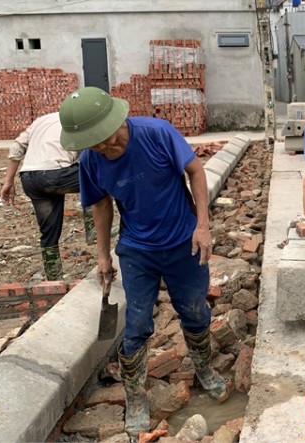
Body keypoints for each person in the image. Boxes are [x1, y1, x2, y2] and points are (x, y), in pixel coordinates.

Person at [57, 86, 228, 440]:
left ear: (118, 119)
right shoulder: (91, 161)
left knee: (194, 311)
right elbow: (101, 205)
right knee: (135, 324)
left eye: (105, 139)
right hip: (137, 250)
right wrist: (103, 255)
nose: (103, 148)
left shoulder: (157, 133)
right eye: (93, 144)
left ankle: (204, 369)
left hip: (184, 242)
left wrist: (202, 226)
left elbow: (196, 172)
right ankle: (136, 397)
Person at [0, 112, 95, 281]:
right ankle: (93, 229)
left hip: (30, 180)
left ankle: (54, 276)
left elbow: (16, 147)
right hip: (55, 175)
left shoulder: (40, 121)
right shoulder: (80, 120)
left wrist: (8, 181)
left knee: (49, 232)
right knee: (96, 177)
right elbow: (90, 155)